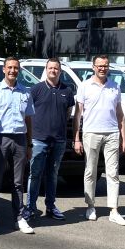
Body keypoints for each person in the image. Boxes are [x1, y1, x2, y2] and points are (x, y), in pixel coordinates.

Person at [73, 55, 125, 226]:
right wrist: (76, 138)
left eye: (105, 65)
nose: (102, 68)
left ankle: (114, 210)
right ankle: (90, 206)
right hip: (91, 133)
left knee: (113, 173)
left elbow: (120, 114)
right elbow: (78, 114)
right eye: (99, 65)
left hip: (112, 133)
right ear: (93, 67)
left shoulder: (115, 87)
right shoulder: (84, 86)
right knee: (90, 171)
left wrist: (124, 137)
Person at [0, 57, 35, 235]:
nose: (13, 71)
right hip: (0, 139)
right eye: (10, 67)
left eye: (16, 68)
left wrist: (29, 144)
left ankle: (19, 217)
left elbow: (28, 119)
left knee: (18, 182)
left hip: (20, 139)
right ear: (4, 69)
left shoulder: (25, 92)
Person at [25, 58, 75, 221]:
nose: (53, 70)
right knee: (35, 175)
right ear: (46, 70)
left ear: (60, 71)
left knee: (53, 175)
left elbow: (68, 113)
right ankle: (31, 208)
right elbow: (28, 115)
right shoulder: (35, 90)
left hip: (59, 140)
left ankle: (50, 207)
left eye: (56, 68)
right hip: (39, 139)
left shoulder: (67, 91)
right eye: (50, 68)